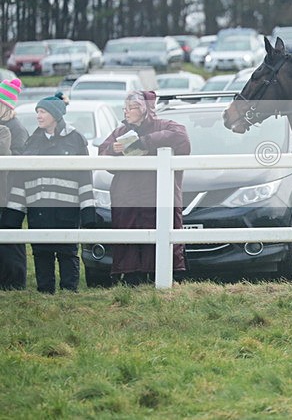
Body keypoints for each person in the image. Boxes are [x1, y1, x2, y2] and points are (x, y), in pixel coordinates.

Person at [1, 92, 97, 293]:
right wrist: (13, 215)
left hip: (67, 211)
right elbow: (21, 180)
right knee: (41, 254)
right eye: (37, 111)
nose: (38, 115)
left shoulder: (76, 139)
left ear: (55, 114)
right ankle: (45, 297)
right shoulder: (33, 140)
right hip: (39, 212)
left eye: (42, 111)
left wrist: (88, 213)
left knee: (68, 253)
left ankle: (69, 297)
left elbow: (85, 178)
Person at [99, 90, 190, 285]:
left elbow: (181, 137)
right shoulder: (119, 133)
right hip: (127, 198)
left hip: (159, 197)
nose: (127, 112)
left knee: (161, 234)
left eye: (132, 108)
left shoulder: (166, 126)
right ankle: (131, 279)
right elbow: (103, 156)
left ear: (145, 109)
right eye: (125, 108)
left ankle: (164, 279)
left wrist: (144, 142)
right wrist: (112, 150)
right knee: (129, 238)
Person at [0, 77, 29, 290]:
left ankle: (15, 281)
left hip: (10, 191)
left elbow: (18, 158)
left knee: (12, 239)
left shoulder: (15, 129)